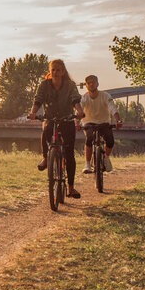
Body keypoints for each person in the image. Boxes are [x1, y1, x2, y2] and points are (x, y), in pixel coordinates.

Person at [27, 59, 85, 198]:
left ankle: (70, 188)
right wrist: (33, 112)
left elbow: (75, 99)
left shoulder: (70, 85)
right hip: (51, 117)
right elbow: (38, 99)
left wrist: (79, 111)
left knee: (69, 154)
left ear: (63, 72)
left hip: (66, 118)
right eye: (53, 70)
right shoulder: (44, 84)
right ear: (50, 71)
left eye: (58, 70)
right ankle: (46, 158)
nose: (55, 72)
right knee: (46, 129)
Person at [79, 74, 122, 173]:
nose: (91, 85)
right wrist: (77, 122)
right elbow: (79, 111)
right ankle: (87, 164)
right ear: (86, 85)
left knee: (110, 140)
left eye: (93, 82)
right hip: (88, 123)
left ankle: (106, 158)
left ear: (97, 84)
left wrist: (118, 120)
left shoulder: (105, 96)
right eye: (88, 83)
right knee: (89, 138)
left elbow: (113, 108)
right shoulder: (84, 98)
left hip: (103, 122)